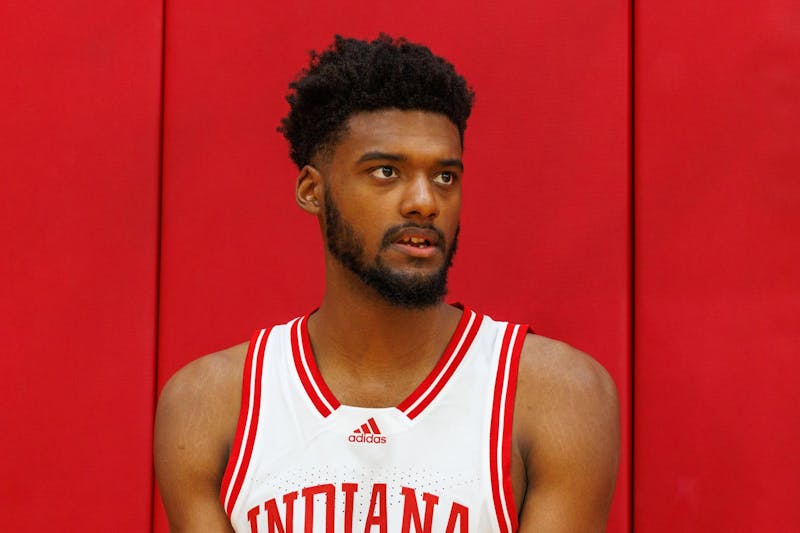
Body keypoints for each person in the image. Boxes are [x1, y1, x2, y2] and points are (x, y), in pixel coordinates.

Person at [154, 34, 619, 532]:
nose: (424, 202)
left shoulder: (556, 395)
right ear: (312, 190)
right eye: (386, 171)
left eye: (444, 176)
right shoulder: (209, 404)